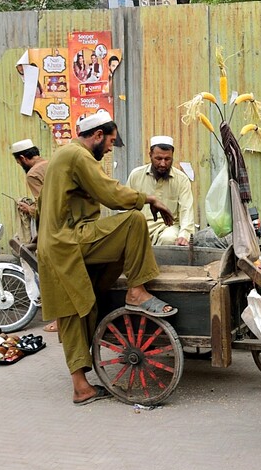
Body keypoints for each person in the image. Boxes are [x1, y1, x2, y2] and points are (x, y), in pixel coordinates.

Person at [36, 110, 178, 406]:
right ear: (98, 136)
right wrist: (148, 199)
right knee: (133, 222)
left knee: (78, 310)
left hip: (60, 241)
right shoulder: (78, 155)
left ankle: (81, 388)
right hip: (67, 240)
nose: (111, 147)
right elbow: (109, 193)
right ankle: (136, 290)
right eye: (110, 141)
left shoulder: (64, 156)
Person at [10, 138, 55, 332]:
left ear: (22, 158)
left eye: (18, 162)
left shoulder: (33, 174)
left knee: (51, 274)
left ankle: (61, 320)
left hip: (53, 229)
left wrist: (27, 208)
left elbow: (46, 207)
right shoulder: (52, 164)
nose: (20, 165)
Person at [126, 136, 196, 246]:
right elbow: (126, 206)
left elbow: (186, 211)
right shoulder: (136, 175)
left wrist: (184, 235)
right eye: (158, 159)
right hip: (140, 225)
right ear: (150, 156)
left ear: (172, 157)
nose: (163, 164)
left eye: (167, 159)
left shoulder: (181, 179)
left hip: (169, 227)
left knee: (168, 239)